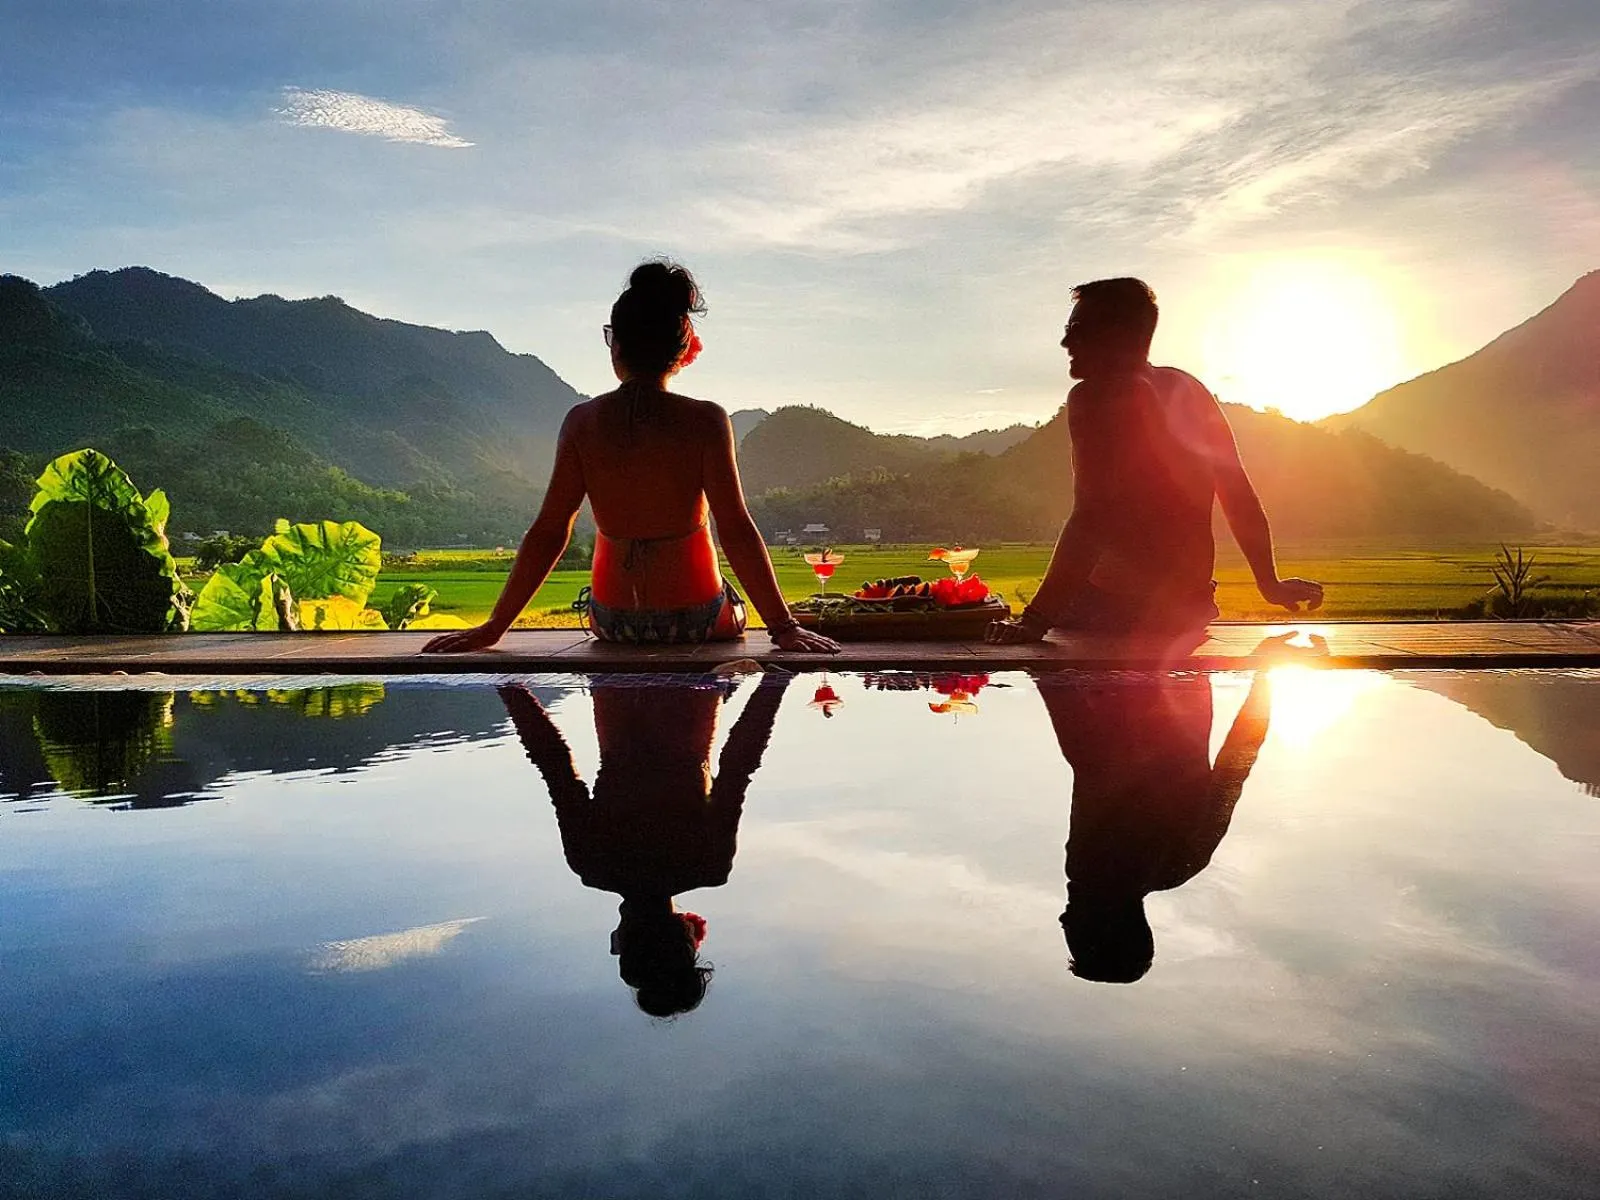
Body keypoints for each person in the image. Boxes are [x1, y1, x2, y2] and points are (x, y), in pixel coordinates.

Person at [423, 261, 837, 654]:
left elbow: (550, 530)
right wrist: (783, 627)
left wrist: (495, 627)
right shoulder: (706, 420)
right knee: (728, 596)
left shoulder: (582, 422)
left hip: (612, 622)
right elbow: (734, 527)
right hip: (697, 619)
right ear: (681, 349)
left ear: (615, 344)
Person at [987, 277, 1322, 642]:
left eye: (1076, 329)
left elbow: (1092, 516)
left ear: (1117, 334)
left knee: (986, 618)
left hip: (1115, 609)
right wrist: (1268, 583)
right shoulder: (1187, 387)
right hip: (1190, 606)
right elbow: (1236, 492)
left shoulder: (1098, 395)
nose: (1066, 342)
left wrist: (1035, 620)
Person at [497, 671, 790, 1017]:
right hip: (617, 693)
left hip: (696, 689)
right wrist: (509, 684)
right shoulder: (591, 865)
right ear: (625, 937)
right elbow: (554, 763)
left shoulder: (710, 866)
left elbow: (740, 763)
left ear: (686, 939)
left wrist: (777, 681)